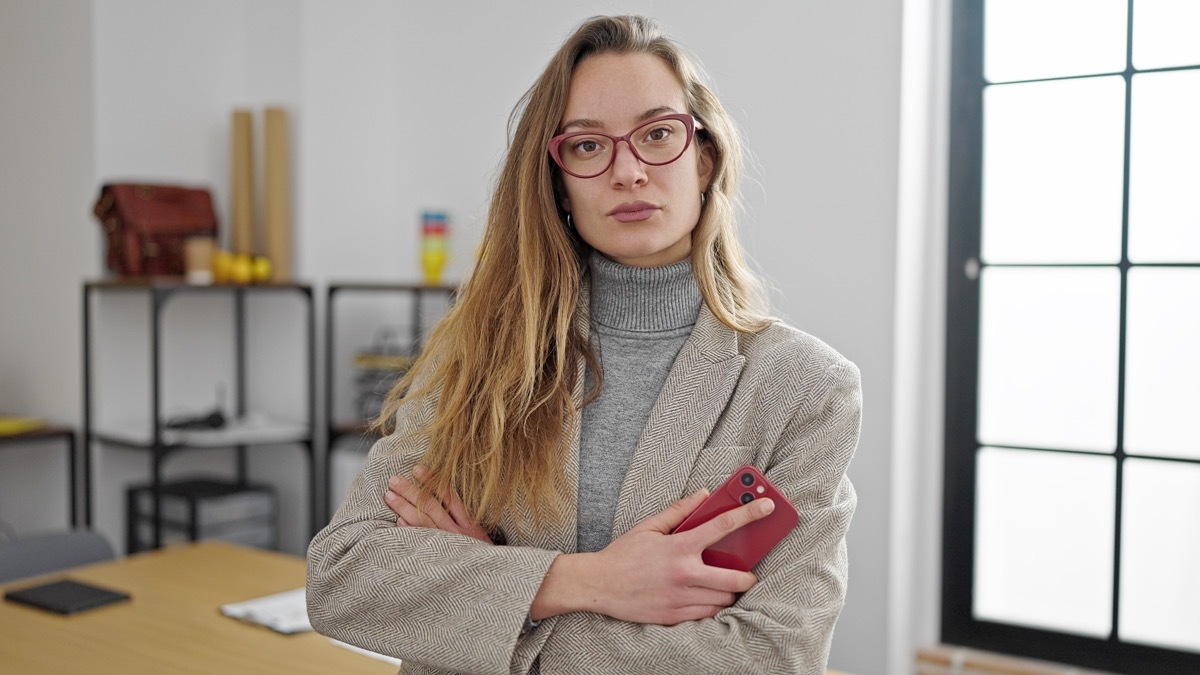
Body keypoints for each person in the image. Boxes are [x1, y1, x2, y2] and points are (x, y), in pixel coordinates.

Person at [307, 14, 861, 675]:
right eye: (588, 146)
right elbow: (343, 578)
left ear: (705, 157)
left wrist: (489, 603)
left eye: (658, 134)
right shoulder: (476, 354)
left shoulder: (806, 388)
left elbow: (772, 655)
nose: (628, 171)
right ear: (559, 179)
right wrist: (587, 580)